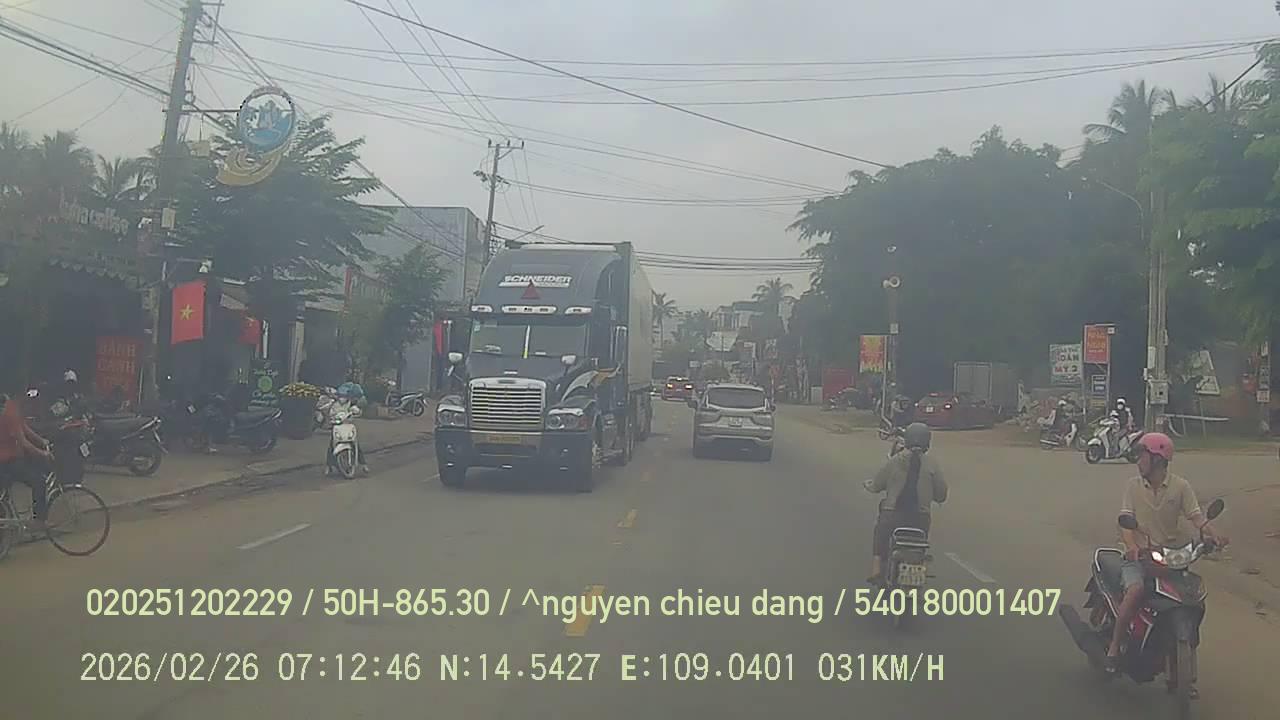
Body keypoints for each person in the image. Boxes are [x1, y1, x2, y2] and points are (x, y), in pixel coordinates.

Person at [1105, 432, 1227, 697]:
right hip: (1139, 558)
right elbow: (1125, 522)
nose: (1139, 461)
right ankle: (1114, 648)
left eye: (1142, 456)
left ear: (1158, 460)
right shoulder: (1133, 486)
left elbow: (1197, 518)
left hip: (1170, 558)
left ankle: (1185, 675)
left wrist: (1214, 535)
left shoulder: (1180, 487)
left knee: (1192, 602)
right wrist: (1132, 549)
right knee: (1135, 591)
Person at [864, 422, 948, 585]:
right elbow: (941, 495)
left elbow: (877, 484)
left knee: (881, 533)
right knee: (920, 544)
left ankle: (876, 568)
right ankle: (920, 564)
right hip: (920, 520)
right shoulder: (932, 464)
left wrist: (869, 485)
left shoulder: (895, 461)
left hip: (893, 517)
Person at [0, 392, 55, 531]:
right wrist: (43, 453)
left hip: (11, 459)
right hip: (7, 462)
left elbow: (24, 428)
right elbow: (24, 442)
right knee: (39, 481)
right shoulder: (11, 412)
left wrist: (42, 441)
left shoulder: (12, 408)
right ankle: (39, 520)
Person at [325, 385, 369, 477]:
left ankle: (363, 464)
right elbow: (328, 412)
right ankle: (328, 466)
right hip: (337, 427)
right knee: (331, 446)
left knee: (356, 444)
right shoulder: (334, 404)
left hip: (348, 426)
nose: (342, 398)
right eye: (341, 396)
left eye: (344, 396)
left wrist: (356, 412)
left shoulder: (350, 404)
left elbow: (357, 411)